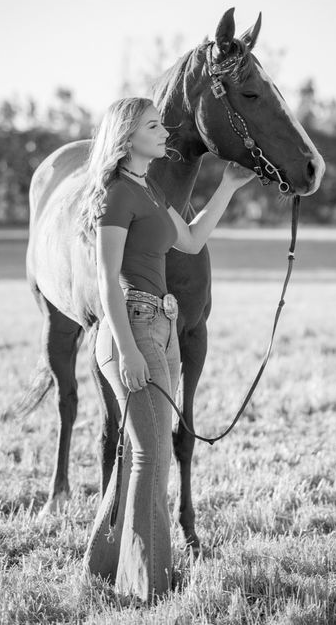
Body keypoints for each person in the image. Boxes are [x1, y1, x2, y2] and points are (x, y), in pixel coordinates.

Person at [79, 96, 255, 606]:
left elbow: (194, 240)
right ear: (127, 136)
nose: (165, 131)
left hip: (163, 324)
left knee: (142, 454)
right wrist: (128, 350)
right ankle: (149, 586)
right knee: (150, 455)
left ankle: (108, 568)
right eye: (154, 125)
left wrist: (226, 187)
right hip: (131, 326)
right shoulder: (116, 195)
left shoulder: (148, 188)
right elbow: (106, 281)